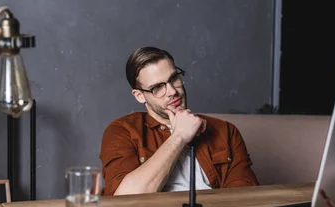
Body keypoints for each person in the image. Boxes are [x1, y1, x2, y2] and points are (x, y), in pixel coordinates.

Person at [100, 46, 259, 196]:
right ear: (139, 96)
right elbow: (126, 200)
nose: (172, 91)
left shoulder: (225, 131)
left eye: (174, 78)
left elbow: (246, 198)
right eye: (157, 88)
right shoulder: (122, 131)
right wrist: (180, 136)